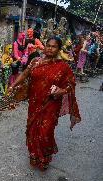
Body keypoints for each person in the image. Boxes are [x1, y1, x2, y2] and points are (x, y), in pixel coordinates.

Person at [7, 37, 81, 171]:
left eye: (53, 46)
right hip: (35, 102)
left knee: (45, 132)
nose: (49, 49)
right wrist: (12, 85)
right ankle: (34, 155)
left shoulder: (63, 67)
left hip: (51, 104)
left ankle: (44, 158)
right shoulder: (36, 61)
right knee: (32, 130)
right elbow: (24, 74)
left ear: (59, 49)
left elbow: (71, 84)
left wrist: (61, 90)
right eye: (48, 45)